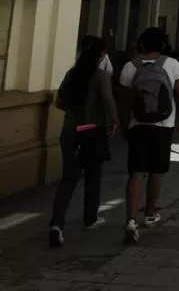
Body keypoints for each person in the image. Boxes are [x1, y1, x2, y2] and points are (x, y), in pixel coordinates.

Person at [118, 27, 179, 244]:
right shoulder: (172, 64)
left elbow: (124, 101)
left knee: (136, 173)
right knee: (157, 171)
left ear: (141, 45)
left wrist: (123, 125)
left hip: (138, 126)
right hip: (163, 125)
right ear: (162, 45)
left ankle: (130, 220)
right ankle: (150, 213)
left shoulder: (130, 67)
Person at [49, 36, 119, 247]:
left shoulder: (72, 74)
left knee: (68, 178)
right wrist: (114, 121)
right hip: (90, 132)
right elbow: (108, 100)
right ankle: (90, 217)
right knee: (93, 175)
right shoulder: (100, 76)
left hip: (69, 131)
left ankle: (56, 224)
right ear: (100, 55)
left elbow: (59, 101)